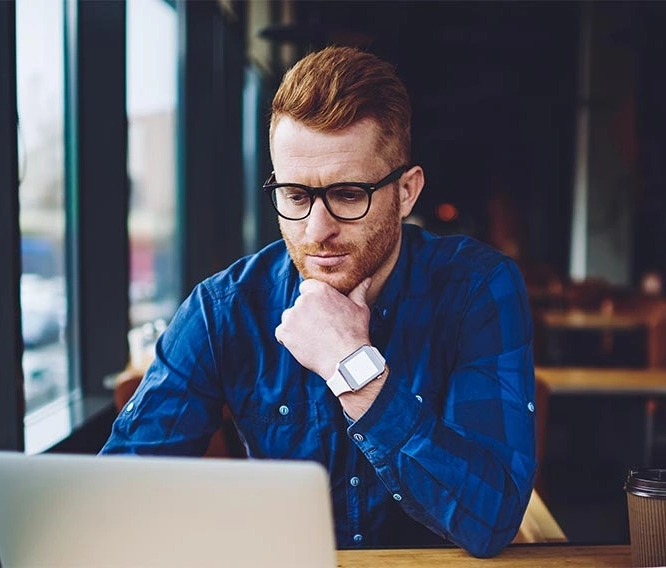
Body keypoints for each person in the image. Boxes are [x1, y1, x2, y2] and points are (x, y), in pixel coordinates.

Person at [100, 46, 537, 558]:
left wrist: (352, 367)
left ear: (407, 192)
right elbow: (117, 500)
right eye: (296, 195)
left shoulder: (478, 289)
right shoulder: (224, 309)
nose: (317, 230)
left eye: (349, 194)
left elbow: (491, 517)